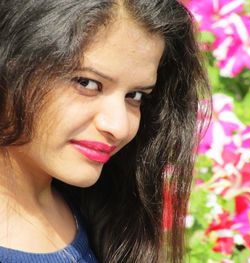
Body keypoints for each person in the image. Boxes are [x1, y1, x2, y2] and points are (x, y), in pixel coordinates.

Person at [0, 0, 210, 262]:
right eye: (87, 83)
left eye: (135, 96)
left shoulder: (98, 213)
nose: (119, 127)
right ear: (10, 70)